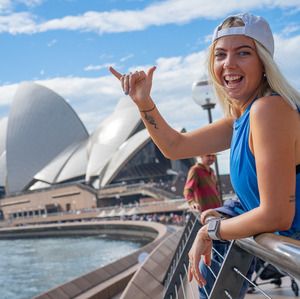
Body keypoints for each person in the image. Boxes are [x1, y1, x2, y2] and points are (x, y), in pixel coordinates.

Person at [109, 12, 300, 298]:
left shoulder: (269, 110)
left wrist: (211, 231)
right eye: (220, 54)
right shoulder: (244, 117)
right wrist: (144, 102)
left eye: (243, 53)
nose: (229, 64)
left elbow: (276, 215)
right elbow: (175, 146)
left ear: (264, 62)